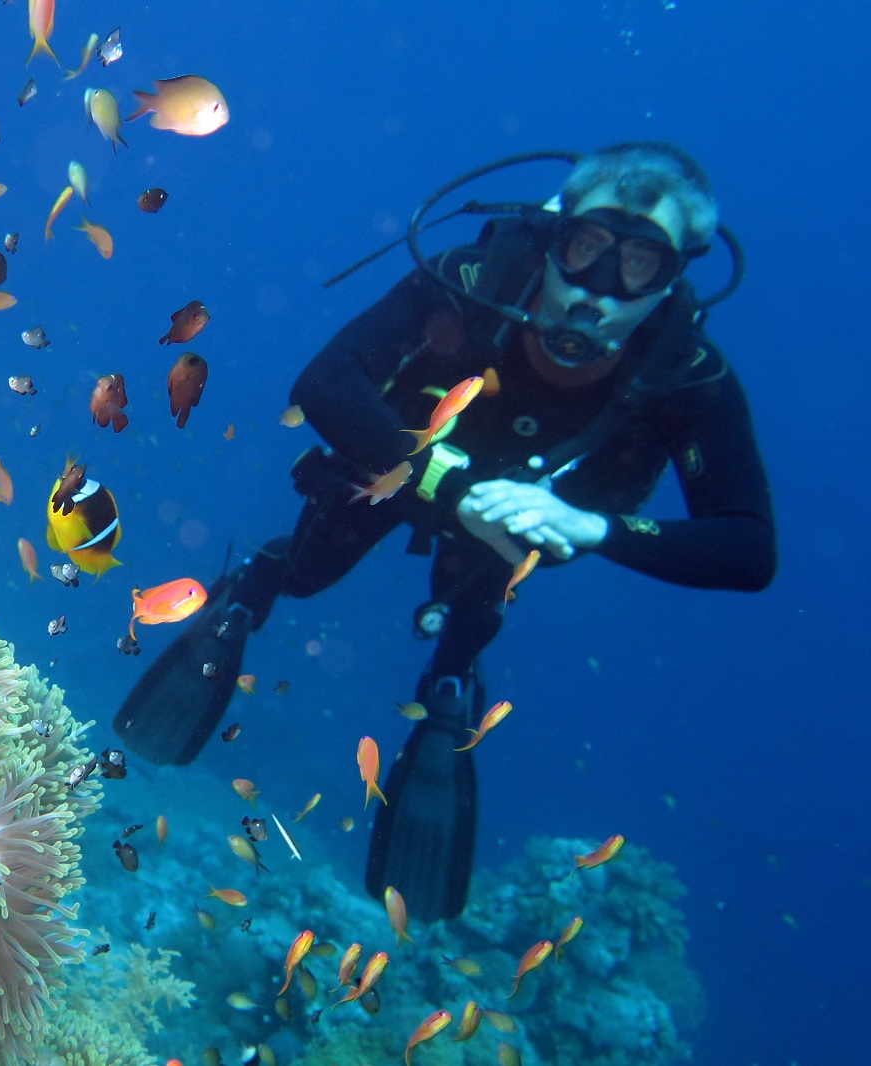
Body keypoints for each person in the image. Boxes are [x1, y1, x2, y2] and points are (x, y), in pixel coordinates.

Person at [113, 142, 776, 923]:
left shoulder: (685, 369)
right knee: (306, 570)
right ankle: (254, 587)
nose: (598, 290)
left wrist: (593, 527)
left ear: (675, 277)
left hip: (521, 527)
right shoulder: (471, 283)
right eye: (587, 250)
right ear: (553, 236)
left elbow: (748, 547)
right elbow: (325, 383)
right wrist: (447, 484)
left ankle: (449, 696)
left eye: (639, 266)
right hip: (398, 472)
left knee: (469, 624)